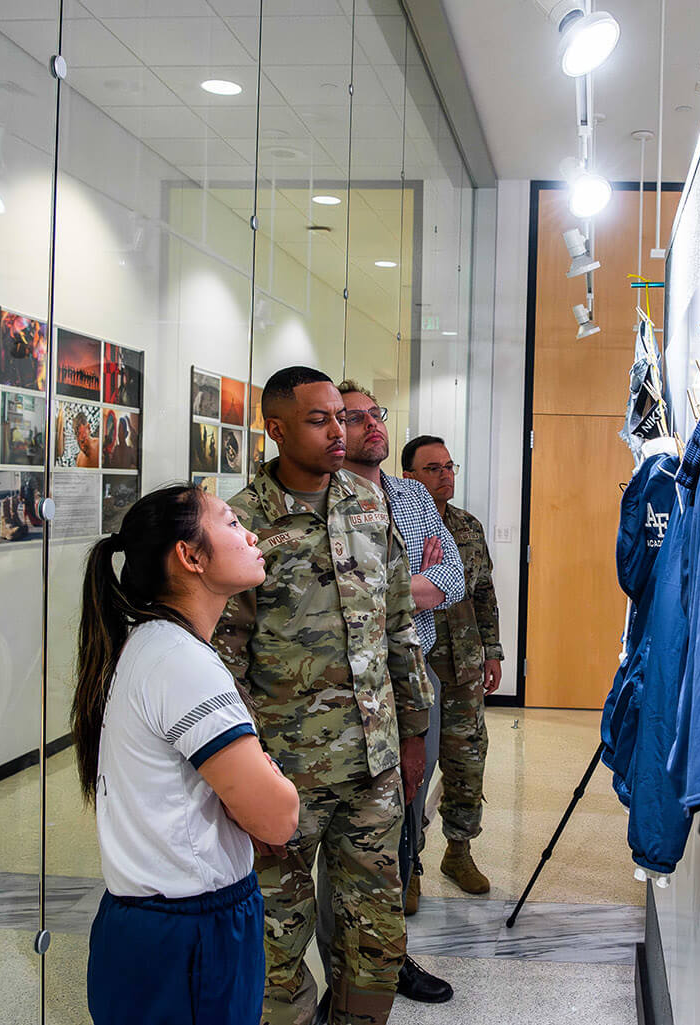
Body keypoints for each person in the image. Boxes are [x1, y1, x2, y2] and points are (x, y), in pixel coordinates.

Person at [213, 366, 432, 1025]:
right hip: (283, 775)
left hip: (373, 770)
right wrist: (246, 780)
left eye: (343, 416)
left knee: (377, 942)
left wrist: (414, 733)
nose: (341, 430)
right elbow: (223, 659)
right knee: (276, 946)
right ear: (275, 429)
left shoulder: (367, 507)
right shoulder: (240, 522)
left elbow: (397, 624)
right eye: (320, 419)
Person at [71, 483, 300, 1025]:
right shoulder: (183, 664)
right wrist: (269, 777)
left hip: (155, 927)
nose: (250, 534)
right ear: (191, 556)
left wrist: (254, 778)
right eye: (228, 522)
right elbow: (278, 817)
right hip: (190, 932)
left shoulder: (152, 643)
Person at [336, 380, 465, 1003]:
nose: (371, 426)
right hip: (344, 687)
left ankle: (391, 956)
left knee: (406, 813)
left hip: (413, 675)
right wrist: (408, 582)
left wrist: (393, 584)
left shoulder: (412, 495)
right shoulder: (325, 497)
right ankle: (341, 969)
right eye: (354, 417)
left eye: (375, 415)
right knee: (349, 830)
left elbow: (452, 579)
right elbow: (340, 597)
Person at [401, 435, 502, 896]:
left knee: (467, 760)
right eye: (432, 468)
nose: (446, 475)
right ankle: (410, 863)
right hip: (414, 667)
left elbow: (484, 594)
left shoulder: (467, 526)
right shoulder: (396, 523)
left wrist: (493, 651)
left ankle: (458, 852)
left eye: (449, 466)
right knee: (413, 770)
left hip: (463, 665)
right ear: (409, 478)